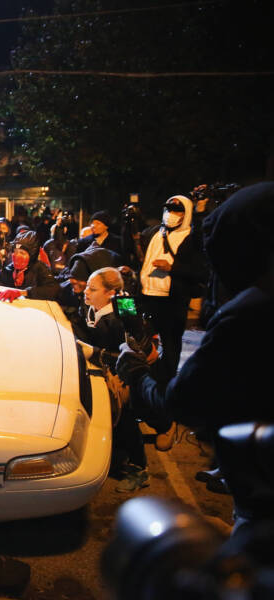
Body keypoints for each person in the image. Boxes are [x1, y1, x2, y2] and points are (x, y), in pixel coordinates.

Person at [117, 182, 274, 532]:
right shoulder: (154, 235)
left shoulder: (248, 314)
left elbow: (186, 401)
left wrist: (136, 372)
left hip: (261, 505)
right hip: (151, 301)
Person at [137, 195, 203, 380]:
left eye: (177, 211)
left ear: (186, 213)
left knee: (171, 343)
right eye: (169, 210)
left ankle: (167, 383)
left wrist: (172, 268)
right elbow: (134, 249)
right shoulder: (156, 233)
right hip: (148, 295)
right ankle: (147, 376)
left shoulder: (190, 238)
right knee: (141, 337)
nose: (171, 215)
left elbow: (200, 270)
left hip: (172, 300)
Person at [0, 230, 60, 302]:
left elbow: (53, 290)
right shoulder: (8, 270)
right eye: (15, 251)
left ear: (32, 256)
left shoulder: (40, 269)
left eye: (22, 253)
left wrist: (23, 293)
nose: (17, 256)